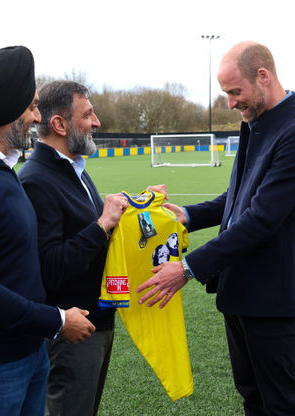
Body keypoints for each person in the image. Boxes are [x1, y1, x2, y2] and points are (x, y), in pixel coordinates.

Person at [137, 41, 295, 415]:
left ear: (263, 76)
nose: (230, 103)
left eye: (234, 92)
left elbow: (261, 218)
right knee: (253, 399)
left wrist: (189, 269)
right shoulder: (255, 120)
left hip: (274, 304)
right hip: (241, 295)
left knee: (283, 404)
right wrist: (188, 215)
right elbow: (238, 195)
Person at [18, 80, 166, 416]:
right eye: (88, 114)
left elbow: (88, 227)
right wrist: (101, 225)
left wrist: (137, 204)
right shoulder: (37, 180)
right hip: (72, 333)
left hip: (95, 323)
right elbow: (48, 268)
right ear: (59, 124)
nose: (97, 122)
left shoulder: (75, 170)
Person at [0, 46, 95, 416]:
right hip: (3, 363)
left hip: (30, 350)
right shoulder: (17, 177)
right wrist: (55, 319)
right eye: (32, 106)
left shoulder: (6, 173)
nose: (37, 117)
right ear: (7, 106)